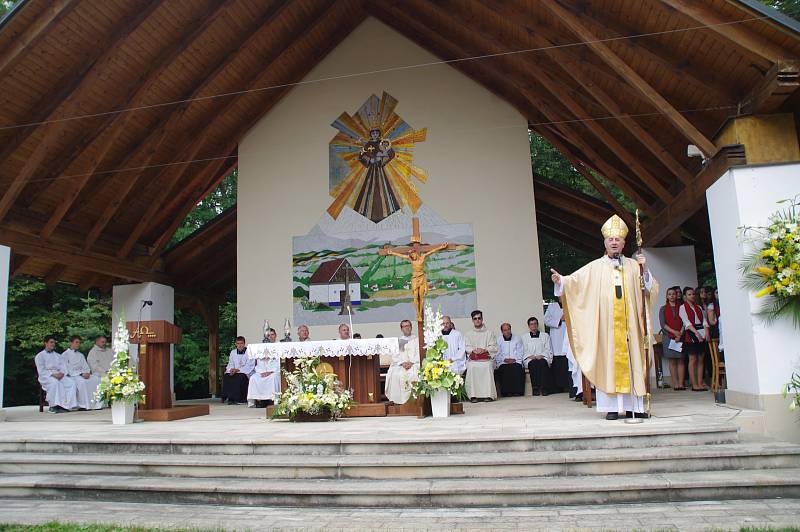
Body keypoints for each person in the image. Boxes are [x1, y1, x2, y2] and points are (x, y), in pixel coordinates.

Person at [550, 214, 658, 420]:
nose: (614, 242)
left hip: (631, 329)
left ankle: (636, 407)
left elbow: (649, 289)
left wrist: (645, 270)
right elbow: (575, 283)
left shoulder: (635, 266)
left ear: (624, 243)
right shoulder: (595, 267)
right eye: (611, 239)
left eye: (618, 239)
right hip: (608, 329)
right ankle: (611, 407)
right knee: (609, 363)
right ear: (605, 243)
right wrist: (560, 281)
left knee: (634, 362)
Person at [543, 303, 584, 400]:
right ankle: (560, 387)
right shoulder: (552, 306)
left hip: (571, 335)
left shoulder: (571, 303)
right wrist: (559, 320)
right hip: (557, 337)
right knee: (560, 364)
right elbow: (546, 320)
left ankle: (577, 391)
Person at [35, 335, 77, 413]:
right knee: (55, 383)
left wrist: (61, 373)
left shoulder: (58, 355)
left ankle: (65, 405)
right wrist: (52, 374)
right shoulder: (40, 356)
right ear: (45, 343)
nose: (53, 344)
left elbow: (63, 367)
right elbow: (41, 370)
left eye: (54, 342)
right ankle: (53, 406)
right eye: (51, 342)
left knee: (71, 383)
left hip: (59, 375)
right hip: (46, 376)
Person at [464, 310, 498, 402]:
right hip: (474, 359)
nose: (477, 320)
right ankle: (473, 396)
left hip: (486, 359)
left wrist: (484, 349)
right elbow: (467, 347)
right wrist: (474, 350)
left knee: (487, 366)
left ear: (482, 319)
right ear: (472, 320)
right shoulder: (468, 334)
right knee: (471, 367)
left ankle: (489, 395)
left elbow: (494, 346)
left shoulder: (489, 333)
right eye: (475, 319)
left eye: (479, 318)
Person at [680, 287, 709, 392]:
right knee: (693, 359)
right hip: (691, 333)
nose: (692, 296)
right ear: (685, 296)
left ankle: (700, 383)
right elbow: (686, 323)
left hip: (701, 332)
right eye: (689, 294)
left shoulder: (698, 307)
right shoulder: (682, 307)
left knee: (701, 358)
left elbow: (704, 321)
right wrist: (697, 334)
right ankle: (694, 384)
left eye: (693, 294)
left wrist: (706, 333)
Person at [63, 335, 102, 410]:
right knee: (82, 382)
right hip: (73, 376)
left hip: (83, 374)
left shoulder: (80, 355)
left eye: (79, 343)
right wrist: (81, 374)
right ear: (71, 343)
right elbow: (67, 369)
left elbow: (85, 366)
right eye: (76, 342)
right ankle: (83, 405)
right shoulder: (65, 355)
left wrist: (86, 373)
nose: (78, 344)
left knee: (96, 379)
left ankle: (96, 404)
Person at [385, 320, 420, 405]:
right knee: (395, 374)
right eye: (404, 326)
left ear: (411, 327)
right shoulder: (398, 341)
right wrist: (402, 363)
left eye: (408, 325)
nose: (407, 327)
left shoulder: (417, 339)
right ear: (401, 329)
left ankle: (416, 401)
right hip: (402, 365)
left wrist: (411, 362)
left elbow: (419, 353)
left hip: (414, 363)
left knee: (415, 373)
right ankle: (398, 401)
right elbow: (395, 356)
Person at [659, 287, 686, 391]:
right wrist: (674, 332)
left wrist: (680, 333)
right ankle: (675, 384)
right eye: (669, 294)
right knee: (672, 361)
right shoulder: (663, 309)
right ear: (667, 296)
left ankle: (681, 383)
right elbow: (663, 324)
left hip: (680, 336)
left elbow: (684, 321)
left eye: (673, 294)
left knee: (680, 360)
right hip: (668, 337)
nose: (672, 296)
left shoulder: (682, 307)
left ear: (676, 295)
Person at [247, 328, 280, 407]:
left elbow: (280, 362)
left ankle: (272, 400)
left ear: (275, 335)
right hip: (262, 372)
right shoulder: (261, 348)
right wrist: (262, 372)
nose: (271, 337)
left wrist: (271, 372)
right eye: (268, 335)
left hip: (274, 372)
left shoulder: (279, 347)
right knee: (254, 378)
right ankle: (260, 400)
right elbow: (259, 363)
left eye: (272, 334)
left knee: (273, 378)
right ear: (266, 337)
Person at [521, 317, 554, 396]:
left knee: (542, 363)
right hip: (530, 358)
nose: (534, 326)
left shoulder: (545, 336)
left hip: (542, 357)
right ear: (529, 326)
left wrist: (542, 355)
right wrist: (530, 356)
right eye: (532, 324)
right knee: (533, 364)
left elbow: (548, 348)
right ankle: (535, 388)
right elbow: (524, 349)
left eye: (535, 324)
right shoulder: (524, 337)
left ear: (537, 325)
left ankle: (544, 388)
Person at [494, 323, 525, 397]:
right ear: (502, 331)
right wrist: (504, 360)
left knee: (517, 368)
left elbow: (520, 351)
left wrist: (515, 359)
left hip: (515, 361)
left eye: (508, 329)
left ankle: (518, 391)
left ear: (510, 330)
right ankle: (506, 392)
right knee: (504, 369)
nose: (507, 331)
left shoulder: (517, 339)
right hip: (503, 362)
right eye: (505, 330)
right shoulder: (498, 340)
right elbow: (497, 353)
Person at [222, 336, 254, 405]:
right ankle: (230, 398)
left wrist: (238, 370)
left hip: (244, 372)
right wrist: (231, 370)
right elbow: (230, 363)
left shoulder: (249, 352)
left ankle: (240, 399)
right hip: (235, 371)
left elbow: (250, 365)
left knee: (239, 377)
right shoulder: (233, 352)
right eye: (238, 343)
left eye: (241, 343)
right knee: (227, 376)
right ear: (236, 344)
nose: (239, 345)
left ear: (244, 344)